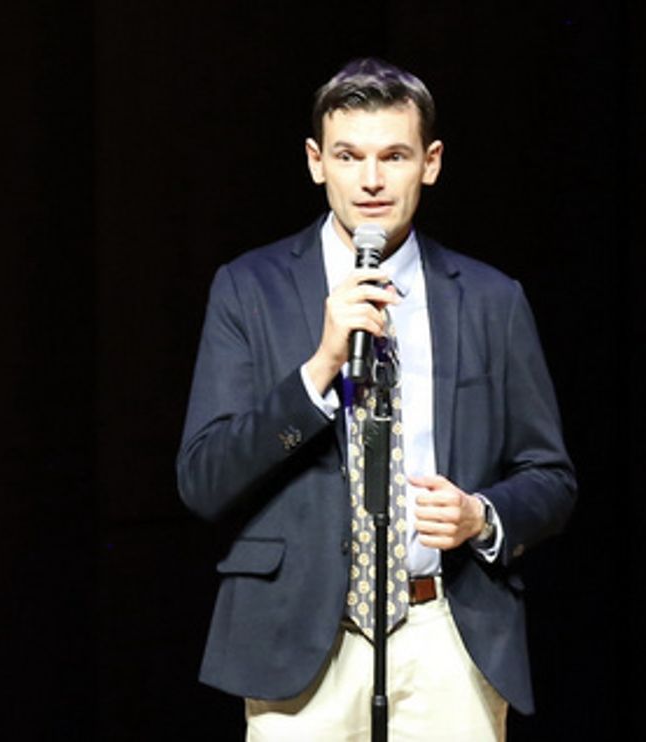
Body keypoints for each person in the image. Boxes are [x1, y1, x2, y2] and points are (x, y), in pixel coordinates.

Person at [178, 57, 576, 741]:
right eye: (348, 156)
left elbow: (551, 477)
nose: (369, 180)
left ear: (431, 162)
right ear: (314, 161)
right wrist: (319, 370)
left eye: (393, 155)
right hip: (300, 646)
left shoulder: (489, 300)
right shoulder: (249, 288)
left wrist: (481, 515)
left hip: (445, 636)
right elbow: (204, 479)